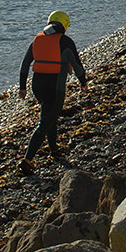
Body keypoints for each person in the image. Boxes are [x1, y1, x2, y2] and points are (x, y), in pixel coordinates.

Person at [18, 10, 89, 173]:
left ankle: (54, 150)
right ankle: (27, 160)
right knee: (44, 124)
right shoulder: (65, 41)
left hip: (37, 87)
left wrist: (22, 87)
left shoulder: (37, 39)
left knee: (49, 115)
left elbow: (25, 64)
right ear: (64, 25)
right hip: (55, 88)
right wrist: (83, 83)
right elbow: (77, 66)